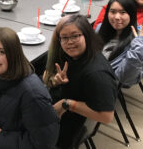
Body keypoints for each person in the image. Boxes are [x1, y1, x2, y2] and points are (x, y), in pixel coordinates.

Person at [0, 27, 60, 148]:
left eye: (1, 52)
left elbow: (44, 143)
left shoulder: (33, 95)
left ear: (13, 54)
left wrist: (1, 136)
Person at [43, 15, 117, 149]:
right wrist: (56, 81)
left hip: (67, 130)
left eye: (75, 36)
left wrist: (66, 104)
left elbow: (107, 116)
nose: (69, 42)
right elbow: (48, 77)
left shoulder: (97, 74)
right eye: (64, 38)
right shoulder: (77, 55)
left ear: (87, 35)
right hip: (64, 117)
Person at [97, 0, 143, 87]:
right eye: (113, 11)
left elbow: (125, 79)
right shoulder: (100, 28)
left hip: (106, 86)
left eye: (123, 12)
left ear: (131, 14)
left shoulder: (138, 42)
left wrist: (138, 48)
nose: (117, 17)